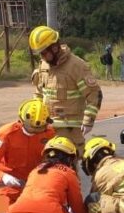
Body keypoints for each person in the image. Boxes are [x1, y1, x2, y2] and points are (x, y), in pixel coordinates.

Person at [4, 136, 87, 213]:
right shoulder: (69, 173)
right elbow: (76, 205)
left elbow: (50, 201)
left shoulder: (34, 171)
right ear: (70, 158)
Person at [29, 25, 102, 155]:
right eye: (40, 53)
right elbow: (39, 93)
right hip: (47, 128)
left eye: (45, 52)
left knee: (67, 169)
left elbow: (94, 94)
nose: (43, 56)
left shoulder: (76, 66)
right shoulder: (44, 65)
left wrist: (88, 121)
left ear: (55, 47)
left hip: (70, 129)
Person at [0, 99, 56, 206]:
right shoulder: (5, 134)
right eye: (31, 128)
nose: (34, 131)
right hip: (6, 186)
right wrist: (3, 177)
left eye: (38, 129)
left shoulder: (50, 134)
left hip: (35, 184)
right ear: (21, 120)